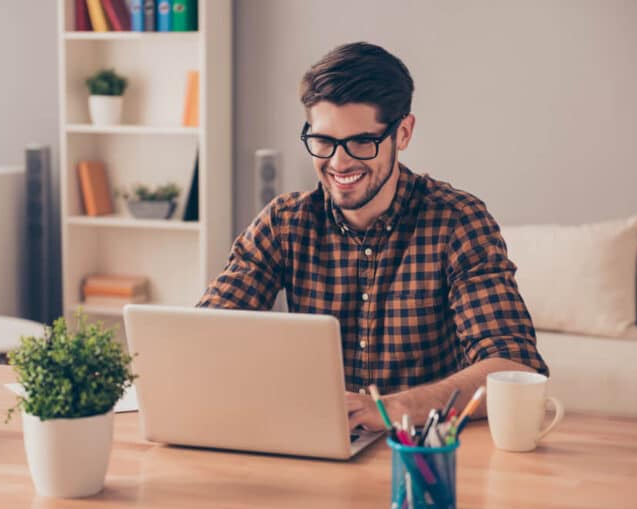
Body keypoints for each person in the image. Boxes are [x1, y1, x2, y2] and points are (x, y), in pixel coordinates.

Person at [198, 42, 548, 432]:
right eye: (324, 141)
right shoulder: (284, 222)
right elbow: (207, 336)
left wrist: (393, 408)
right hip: (316, 443)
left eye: (362, 142)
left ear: (403, 133)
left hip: (425, 454)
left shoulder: (457, 222)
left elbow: (514, 365)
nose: (339, 162)